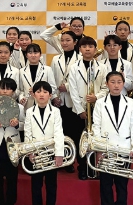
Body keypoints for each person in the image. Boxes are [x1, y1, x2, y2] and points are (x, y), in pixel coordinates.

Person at [93, 72, 133, 205]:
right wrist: (98, 149)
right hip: (106, 149)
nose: (116, 85)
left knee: (122, 185)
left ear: (123, 84)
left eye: (119, 82)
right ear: (106, 84)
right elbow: (96, 127)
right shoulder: (99, 103)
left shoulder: (131, 102)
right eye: (113, 82)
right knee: (105, 184)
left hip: (125, 148)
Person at [68, 36, 108, 180]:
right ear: (80, 49)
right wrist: (80, 110)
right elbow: (72, 90)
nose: (87, 49)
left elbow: (106, 87)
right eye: (84, 47)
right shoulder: (74, 67)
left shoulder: (103, 67)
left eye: (90, 47)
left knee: (96, 138)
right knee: (81, 139)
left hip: (97, 109)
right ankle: (82, 167)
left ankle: (95, 167)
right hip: (79, 110)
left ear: (95, 49)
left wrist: (96, 97)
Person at [25, 81, 64, 205]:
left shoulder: (56, 111)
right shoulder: (29, 111)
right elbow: (27, 133)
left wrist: (59, 154)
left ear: (50, 95)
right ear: (33, 95)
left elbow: (59, 133)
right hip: (36, 153)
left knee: (51, 184)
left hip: (51, 152)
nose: (41, 94)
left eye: (45, 92)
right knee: (36, 185)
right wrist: (30, 152)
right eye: (38, 92)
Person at [0, 78, 24, 205]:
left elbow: (25, 125)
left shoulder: (19, 107)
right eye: (3, 88)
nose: (5, 91)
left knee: (12, 177)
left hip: (13, 145)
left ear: (13, 91)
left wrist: (17, 124)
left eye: (8, 89)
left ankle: (11, 201)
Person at [48, 31, 80, 173]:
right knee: (60, 132)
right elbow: (52, 79)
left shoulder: (80, 58)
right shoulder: (56, 59)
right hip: (59, 101)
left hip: (74, 102)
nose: (65, 43)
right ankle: (63, 159)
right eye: (62, 40)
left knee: (74, 132)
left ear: (75, 42)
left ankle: (73, 160)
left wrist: (67, 87)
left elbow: (81, 80)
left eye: (68, 40)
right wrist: (54, 96)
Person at [18, 43, 57, 110]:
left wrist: (39, 91)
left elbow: (53, 88)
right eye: (30, 53)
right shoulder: (21, 71)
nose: (33, 55)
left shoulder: (47, 69)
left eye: (35, 53)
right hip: (28, 105)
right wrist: (21, 98)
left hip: (44, 104)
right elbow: (21, 90)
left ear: (40, 54)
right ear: (26, 55)